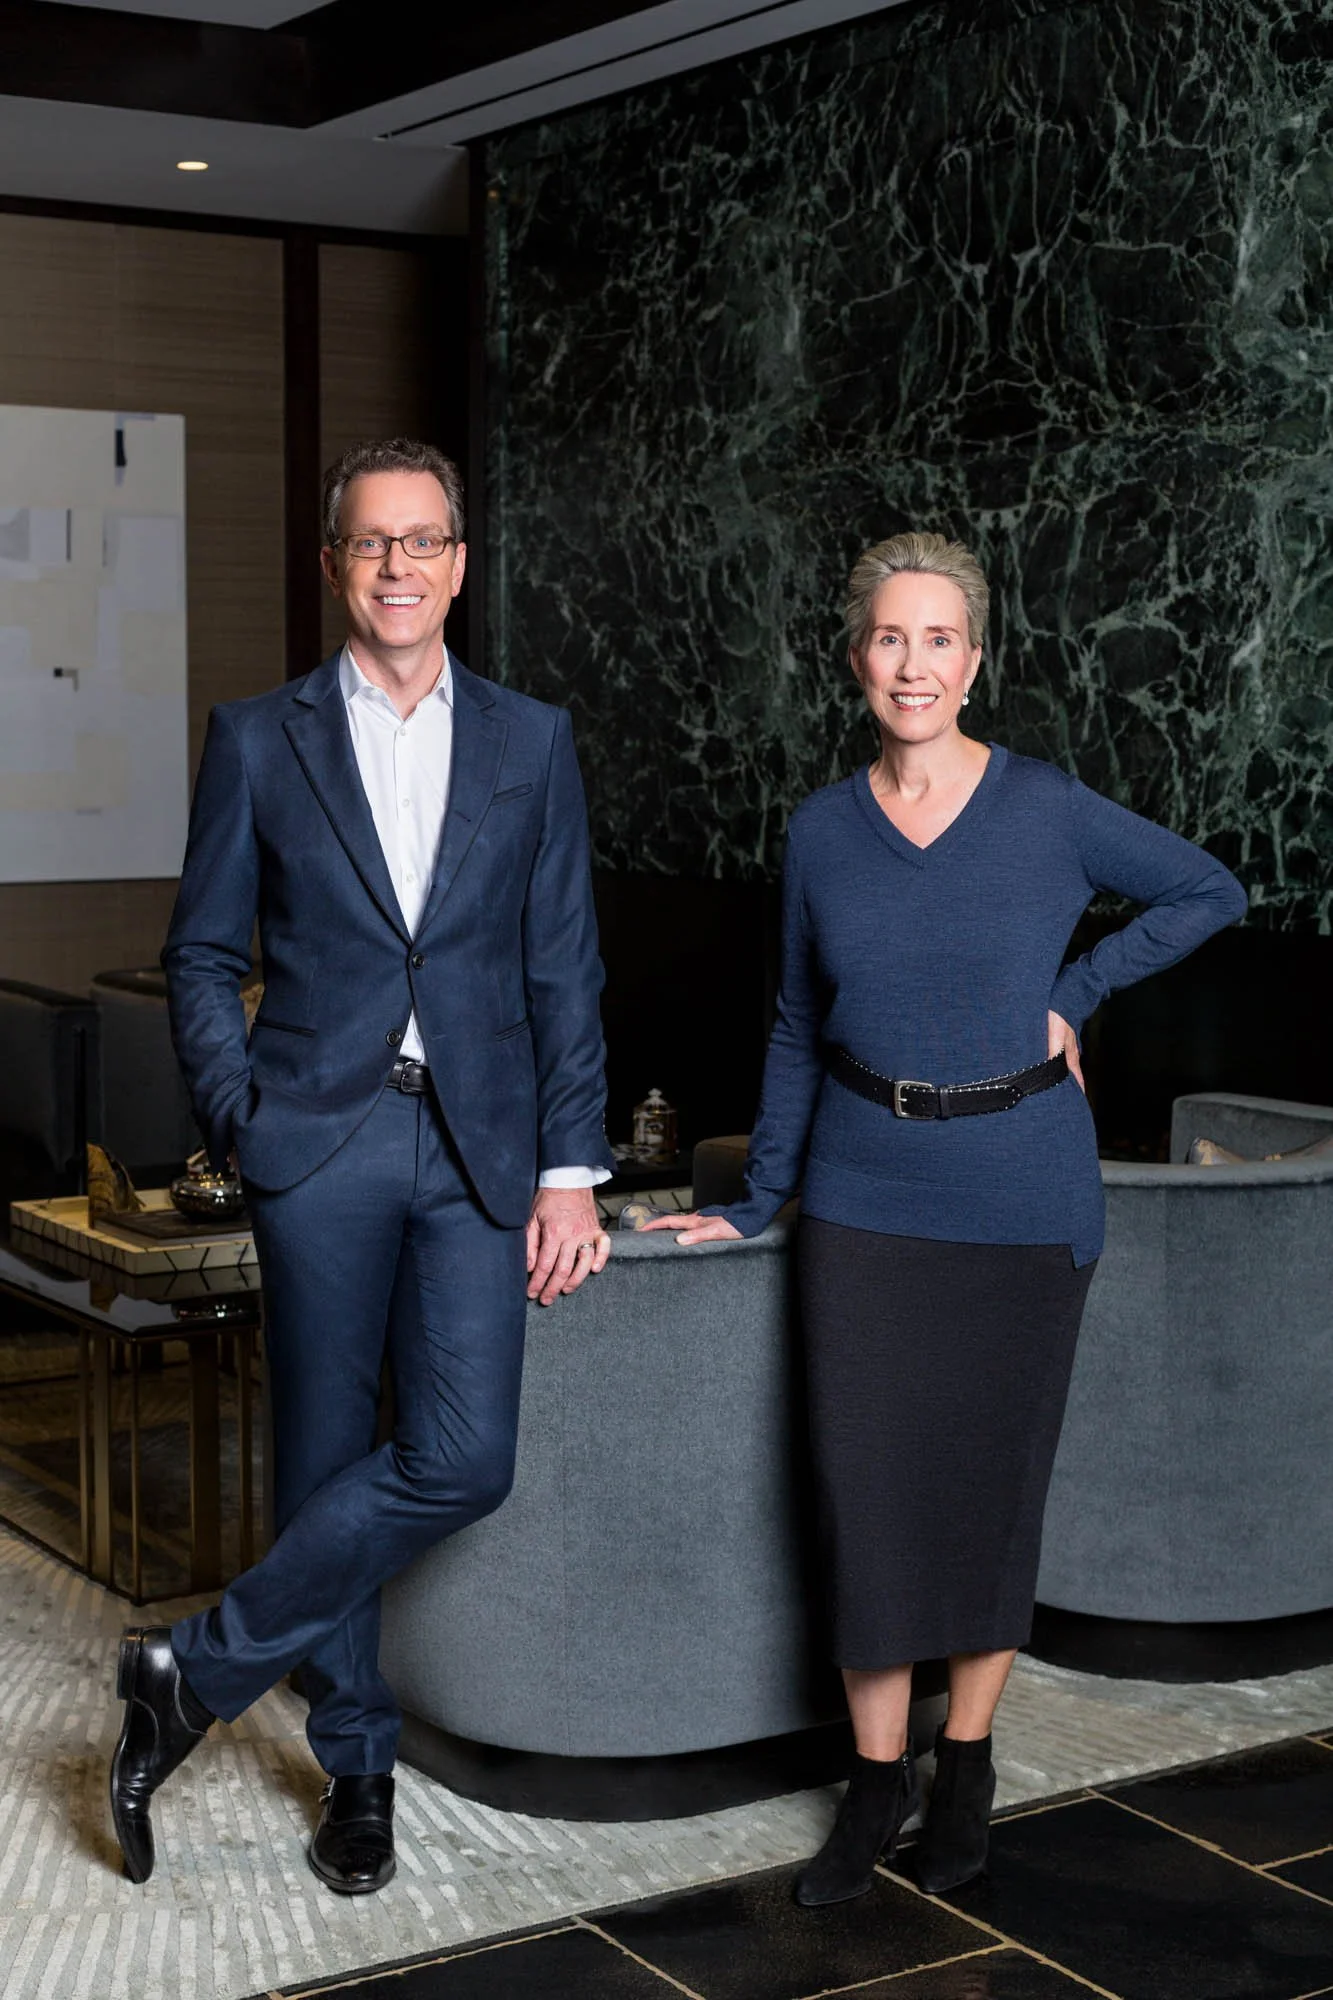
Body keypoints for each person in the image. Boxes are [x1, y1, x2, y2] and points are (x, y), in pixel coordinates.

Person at [647, 531, 1246, 1907]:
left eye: (939, 639)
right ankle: (875, 1785)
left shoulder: (1044, 809)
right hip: (864, 1198)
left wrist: (1079, 993)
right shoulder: (816, 830)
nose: (912, 664)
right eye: (888, 638)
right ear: (856, 656)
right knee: (868, 1499)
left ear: (976, 659)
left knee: (990, 1494)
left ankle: (965, 1761)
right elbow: (798, 1024)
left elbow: (1210, 889)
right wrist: (756, 1204)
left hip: (1023, 1195)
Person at [109, 438, 614, 1894]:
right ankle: (362, 1768)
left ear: (459, 564)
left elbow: (564, 967)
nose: (397, 566)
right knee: (324, 1452)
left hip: (480, 1150)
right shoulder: (261, 737)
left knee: (465, 1456)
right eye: (370, 544)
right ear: (336, 566)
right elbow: (201, 952)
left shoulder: (533, 740)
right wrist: (238, 1114)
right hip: (314, 1141)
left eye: (423, 541)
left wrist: (571, 1166)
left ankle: (188, 1671)